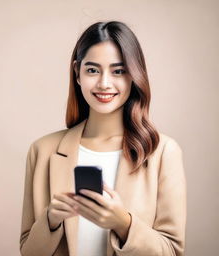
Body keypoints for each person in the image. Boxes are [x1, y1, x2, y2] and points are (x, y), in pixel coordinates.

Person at [19, 21, 187, 256]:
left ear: (134, 75)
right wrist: (51, 219)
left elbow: (172, 251)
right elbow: (28, 252)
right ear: (77, 73)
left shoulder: (163, 152)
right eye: (92, 70)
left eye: (118, 71)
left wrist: (123, 223)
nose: (104, 83)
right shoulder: (42, 150)